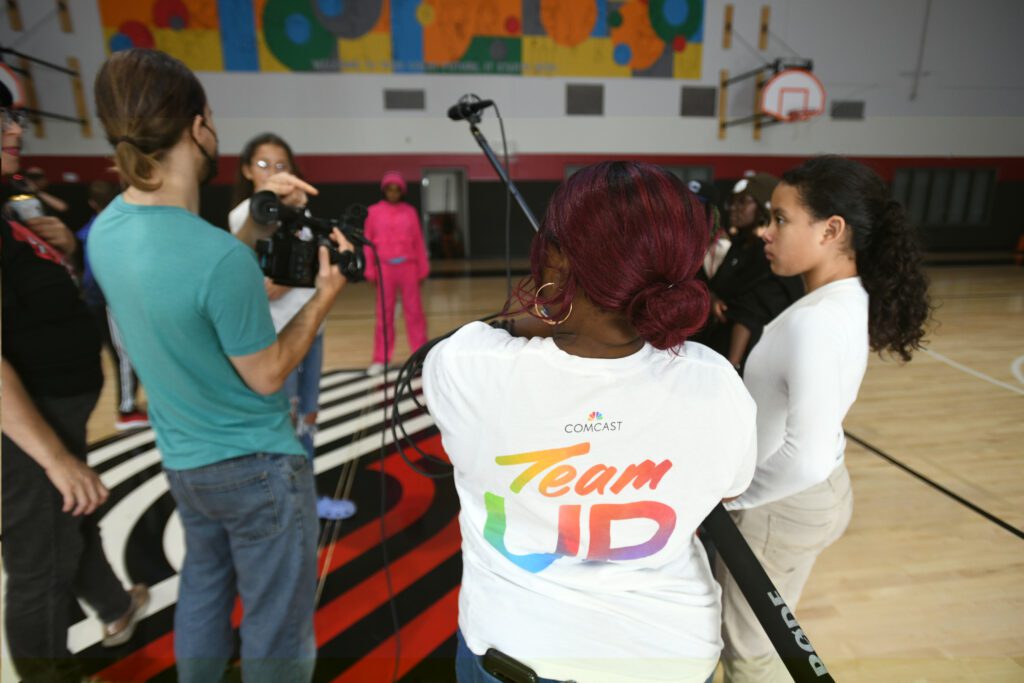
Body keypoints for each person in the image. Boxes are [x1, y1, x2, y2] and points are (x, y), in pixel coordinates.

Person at [423, 161, 758, 683]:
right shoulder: (717, 382)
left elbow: (508, 329)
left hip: (518, 653)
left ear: (554, 259)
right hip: (669, 656)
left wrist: (545, 307)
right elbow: (732, 488)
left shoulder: (467, 365)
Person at [89, 48, 353, 682]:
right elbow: (265, 373)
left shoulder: (106, 232)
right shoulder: (216, 259)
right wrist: (323, 297)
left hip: (184, 462)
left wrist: (258, 220)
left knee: (203, 592)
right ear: (195, 127)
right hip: (258, 467)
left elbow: (190, 284)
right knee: (277, 625)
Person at [717, 156, 932, 682]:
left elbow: (805, 457)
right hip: (813, 494)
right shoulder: (847, 298)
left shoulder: (815, 321)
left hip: (780, 506)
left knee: (751, 653)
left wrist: (734, 498)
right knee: (760, 640)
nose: (766, 232)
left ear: (832, 229)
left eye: (781, 219)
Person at [1, 62, 148, 683]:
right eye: (5, 116)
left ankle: (115, 610)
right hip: (25, 427)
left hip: (53, 413)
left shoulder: (11, 208)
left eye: (18, 116)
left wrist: (60, 250)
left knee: (70, 523)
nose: (17, 129)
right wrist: (54, 458)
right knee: (42, 566)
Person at [229, 133, 322, 459]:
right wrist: (275, 283)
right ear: (247, 170)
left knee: (310, 412)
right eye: (264, 164)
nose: (273, 171)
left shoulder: (300, 210)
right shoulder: (244, 215)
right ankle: (290, 495)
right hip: (277, 331)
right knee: (287, 413)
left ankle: (308, 491)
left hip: (312, 323)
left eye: (281, 165)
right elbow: (243, 275)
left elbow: (311, 260)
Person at [694, 173, 802, 371]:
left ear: (764, 207)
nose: (735, 208)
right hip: (715, 350)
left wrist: (732, 365)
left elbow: (750, 311)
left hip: (750, 361)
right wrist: (710, 296)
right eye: (733, 202)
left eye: (743, 202)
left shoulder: (769, 256)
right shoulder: (739, 246)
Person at [76, 178, 149, 430]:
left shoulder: (92, 229)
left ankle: (130, 405)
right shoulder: (105, 231)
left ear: (92, 203)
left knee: (128, 353)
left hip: (105, 301)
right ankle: (127, 409)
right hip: (110, 302)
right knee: (126, 354)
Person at [363, 170, 429, 375]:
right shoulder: (373, 212)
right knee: (384, 314)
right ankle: (381, 358)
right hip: (384, 268)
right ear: (384, 191)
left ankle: (420, 355)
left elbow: (418, 240)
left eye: (396, 189)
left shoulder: (409, 212)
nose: (393, 193)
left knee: (414, 313)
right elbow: (367, 243)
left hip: (408, 266)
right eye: (389, 189)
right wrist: (369, 268)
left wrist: (423, 267)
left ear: (402, 191)